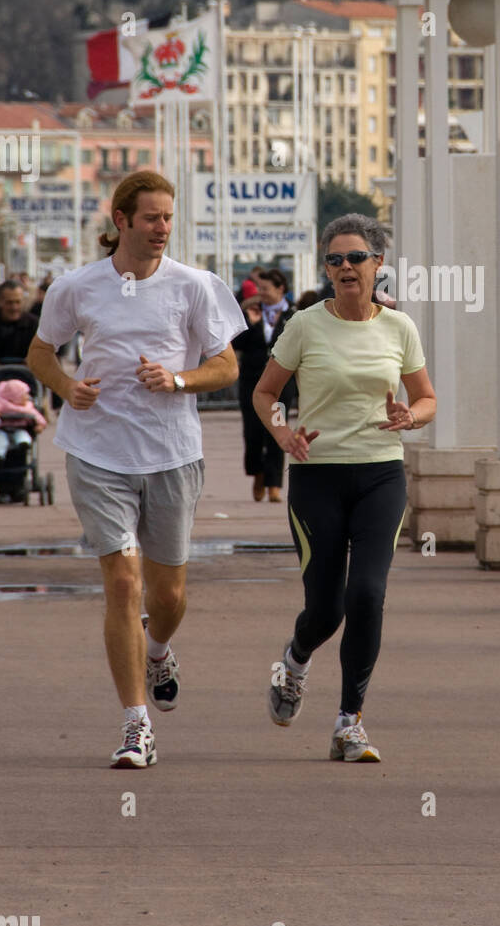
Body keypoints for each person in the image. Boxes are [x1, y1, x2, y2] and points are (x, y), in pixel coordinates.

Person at [26, 171, 246, 770]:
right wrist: (69, 388)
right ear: (121, 220)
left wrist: (178, 379)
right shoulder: (76, 287)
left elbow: (226, 366)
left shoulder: (195, 286)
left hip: (172, 452)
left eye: (169, 218)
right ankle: (135, 726)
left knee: (169, 595)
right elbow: (40, 353)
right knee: (123, 584)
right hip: (97, 454)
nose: (162, 229)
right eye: (151, 218)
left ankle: (159, 649)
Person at [253, 214, 437, 763]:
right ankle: (296, 658)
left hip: (381, 473)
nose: (346, 267)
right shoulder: (305, 325)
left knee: (369, 594)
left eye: (356, 258)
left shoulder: (399, 327)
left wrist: (412, 417)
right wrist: (284, 433)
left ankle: (349, 721)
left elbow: (427, 398)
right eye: (335, 259)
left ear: (378, 264)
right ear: (326, 269)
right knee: (326, 610)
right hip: (318, 476)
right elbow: (266, 393)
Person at [232, 267, 297, 503]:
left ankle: (274, 484)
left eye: (266, 289)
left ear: (280, 289)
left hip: (282, 384)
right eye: (259, 289)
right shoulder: (251, 311)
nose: (261, 293)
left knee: (277, 431)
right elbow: (235, 343)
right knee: (252, 433)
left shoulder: (294, 315)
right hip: (252, 380)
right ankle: (257, 473)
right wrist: (248, 322)